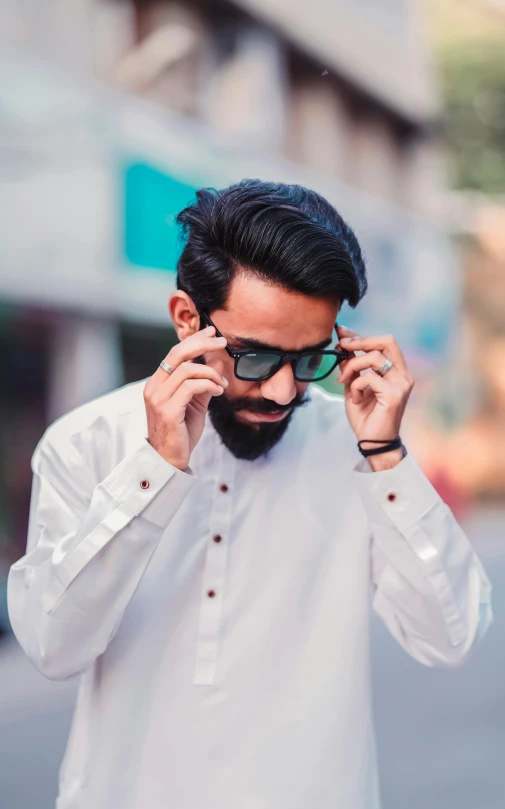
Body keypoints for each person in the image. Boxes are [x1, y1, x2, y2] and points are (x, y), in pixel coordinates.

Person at [8, 180, 492, 809]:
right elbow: (53, 647)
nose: (285, 391)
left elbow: (450, 638)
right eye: (259, 358)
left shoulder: (359, 450)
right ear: (188, 320)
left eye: (311, 358)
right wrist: (152, 473)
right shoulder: (86, 444)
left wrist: (386, 457)